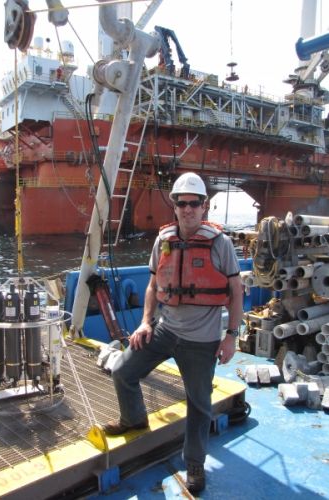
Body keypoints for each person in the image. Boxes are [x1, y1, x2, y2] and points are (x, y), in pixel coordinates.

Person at [103, 172, 243, 494]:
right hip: (165, 329)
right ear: (175, 206)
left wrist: (231, 335)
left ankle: (194, 463)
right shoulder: (163, 240)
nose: (188, 209)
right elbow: (153, 284)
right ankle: (135, 419)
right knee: (123, 370)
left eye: (195, 203)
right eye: (182, 203)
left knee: (199, 403)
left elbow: (236, 291)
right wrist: (145, 322)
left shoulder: (220, 244)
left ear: (204, 206)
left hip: (202, 340)